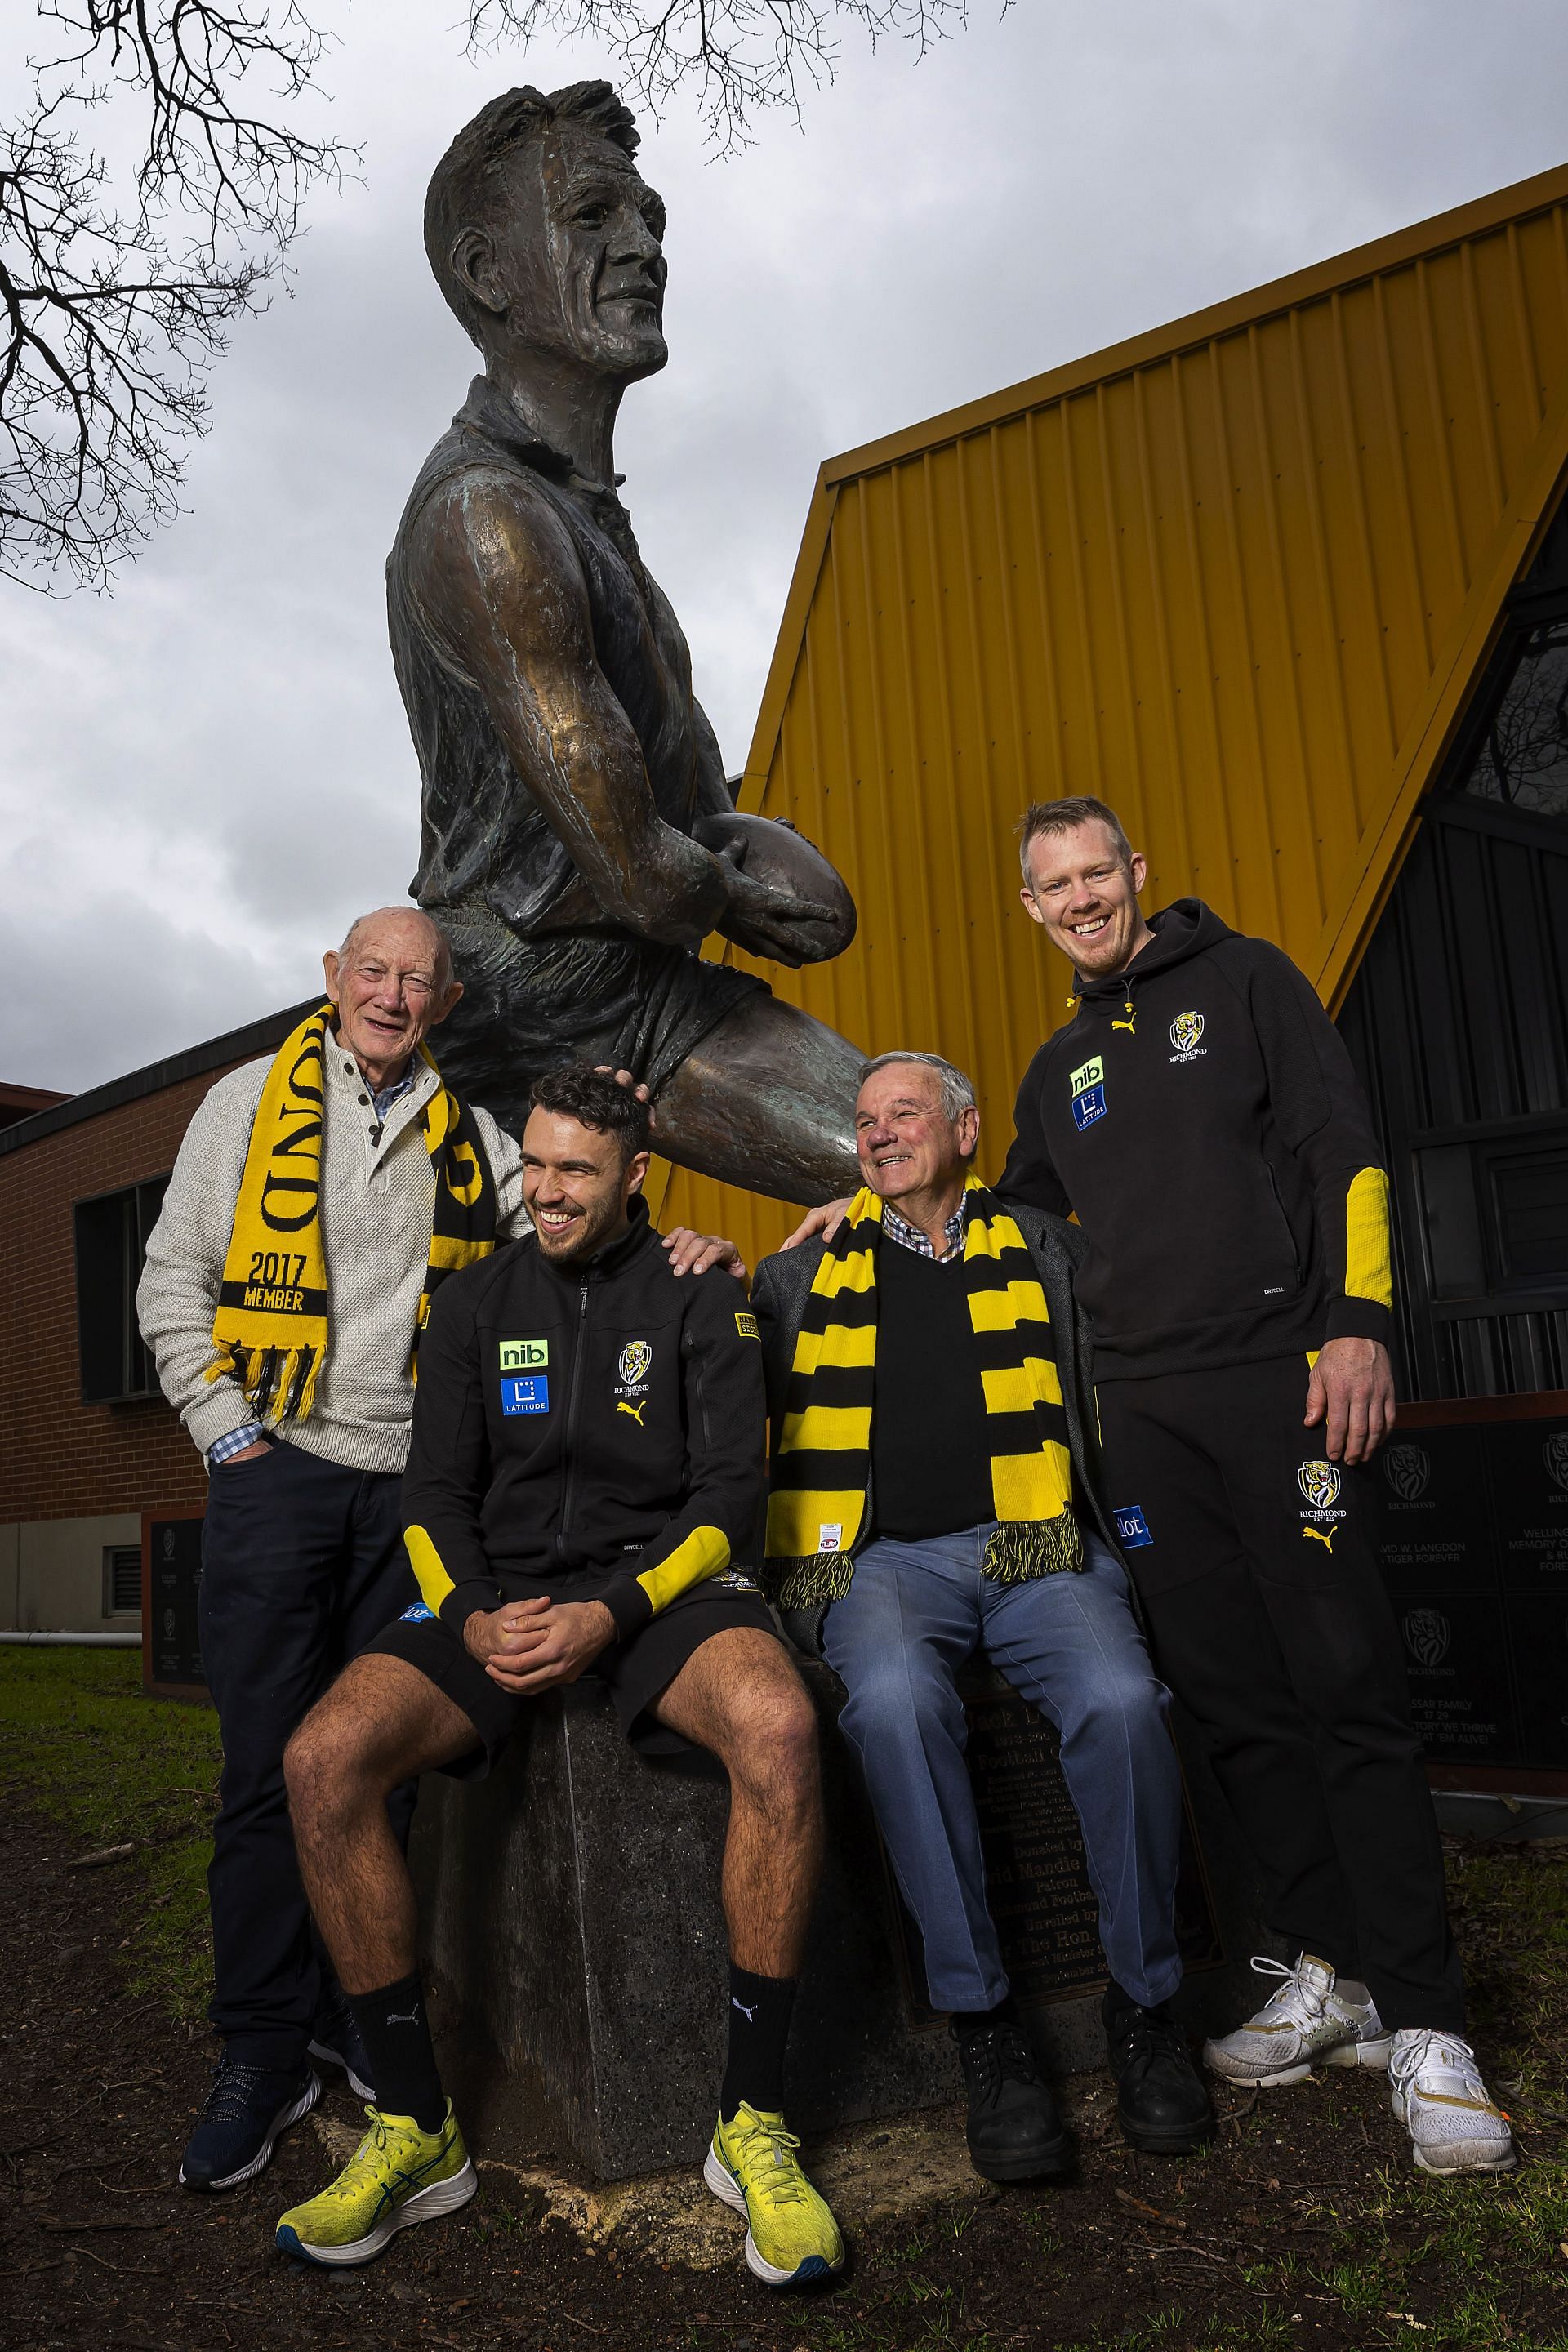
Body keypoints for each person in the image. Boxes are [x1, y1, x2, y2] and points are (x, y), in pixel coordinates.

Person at [138, 911, 734, 2194]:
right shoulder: (245, 1102)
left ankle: (363, 2014)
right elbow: (171, 1276)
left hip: (406, 1486)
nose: (393, 996)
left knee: (387, 1772)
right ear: (332, 980)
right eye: (374, 972)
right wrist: (226, 1432)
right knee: (261, 1770)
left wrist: (685, 1248)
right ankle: (260, 2044)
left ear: (448, 999)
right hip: (277, 1470)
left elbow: (580, 1223)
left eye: (418, 979)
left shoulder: (477, 1132)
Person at [1000, 799, 1512, 2176]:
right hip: (1144, 1418)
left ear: (1138, 875)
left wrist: (1361, 1323)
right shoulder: (1058, 1070)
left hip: (1282, 1380)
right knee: (1233, 1705)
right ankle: (1330, 1968)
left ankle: (1430, 2028)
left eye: (1098, 871)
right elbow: (1003, 1228)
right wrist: (859, 1212)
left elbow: (1349, 1151)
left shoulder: (1247, 979)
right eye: (1055, 885)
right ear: (1035, 908)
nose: (1082, 897)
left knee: (1347, 1685)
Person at [275, 1067, 844, 2283]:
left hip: (661, 1594)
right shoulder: (478, 1295)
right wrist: (477, 1618)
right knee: (322, 1758)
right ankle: (417, 2129)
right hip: (504, 1600)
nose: (546, 1191)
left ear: (640, 1174)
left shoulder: (703, 1293)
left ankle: (750, 2124)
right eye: (534, 1164)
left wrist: (614, 1610)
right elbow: (432, 1493)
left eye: (576, 1170)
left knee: (782, 1730)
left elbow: (731, 1501)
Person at [388, 78, 865, 1199]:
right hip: (542, 1011)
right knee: (899, 1164)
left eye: (650, 218)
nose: (643, 245)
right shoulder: (488, 516)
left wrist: (734, 839)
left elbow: (671, 820)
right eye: (594, 217)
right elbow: (646, 877)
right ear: (487, 273)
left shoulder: (582, 512)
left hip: (643, 982)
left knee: (923, 1119)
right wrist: (750, 893)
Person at [753, 1053, 1214, 2183]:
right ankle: (985, 2029)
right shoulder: (799, 1274)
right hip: (879, 1564)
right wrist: (693, 1262)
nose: (878, 1135)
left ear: (964, 1132)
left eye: (904, 1114)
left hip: (1039, 1548)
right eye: (864, 1121)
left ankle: (1148, 2006)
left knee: (1123, 1701)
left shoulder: (1046, 1249)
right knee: (896, 1707)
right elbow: (704, 1377)